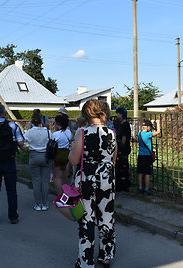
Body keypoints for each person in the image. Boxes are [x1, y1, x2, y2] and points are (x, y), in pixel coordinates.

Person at [69, 99, 117, 268]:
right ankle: (106, 255)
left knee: (87, 219)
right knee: (107, 216)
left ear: (85, 114)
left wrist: (72, 149)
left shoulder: (83, 133)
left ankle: (86, 260)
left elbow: (74, 161)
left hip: (87, 180)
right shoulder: (111, 133)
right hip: (107, 178)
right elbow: (113, 159)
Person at [22, 113, 51, 211]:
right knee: (45, 181)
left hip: (34, 155)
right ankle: (45, 203)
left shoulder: (29, 132)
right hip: (46, 156)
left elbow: (21, 142)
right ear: (41, 121)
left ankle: (38, 204)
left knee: (36, 181)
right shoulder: (47, 131)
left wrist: (25, 149)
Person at [137, 119, 161, 195]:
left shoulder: (139, 133)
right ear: (147, 127)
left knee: (140, 172)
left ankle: (140, 188)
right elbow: (158, 132)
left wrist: (151, 122)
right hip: (147, 156)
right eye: (150, 127)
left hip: (140, 155)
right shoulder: (148, 134)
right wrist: (158, 123)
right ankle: (147, 189)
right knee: (147, 173)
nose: (150, 128)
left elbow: (143, 129)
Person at [52, 115, 73, 195]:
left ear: (58, 123)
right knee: (65, 175)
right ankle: (66, 194)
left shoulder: (55, 134)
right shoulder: (68, 132)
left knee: (57, 177)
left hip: (58, 154)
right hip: (67, 154)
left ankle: (60, 195)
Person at [115, 107, 131, 192]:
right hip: (124, 147)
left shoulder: (125, 124)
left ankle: (124, 184)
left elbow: (124, 138)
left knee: (123, 166)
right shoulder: (122, 123)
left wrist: (120, 147)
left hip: (124, 148)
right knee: (122, 165)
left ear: (121, 114)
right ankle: (123, 184)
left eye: (118, 113)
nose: (117, 115)